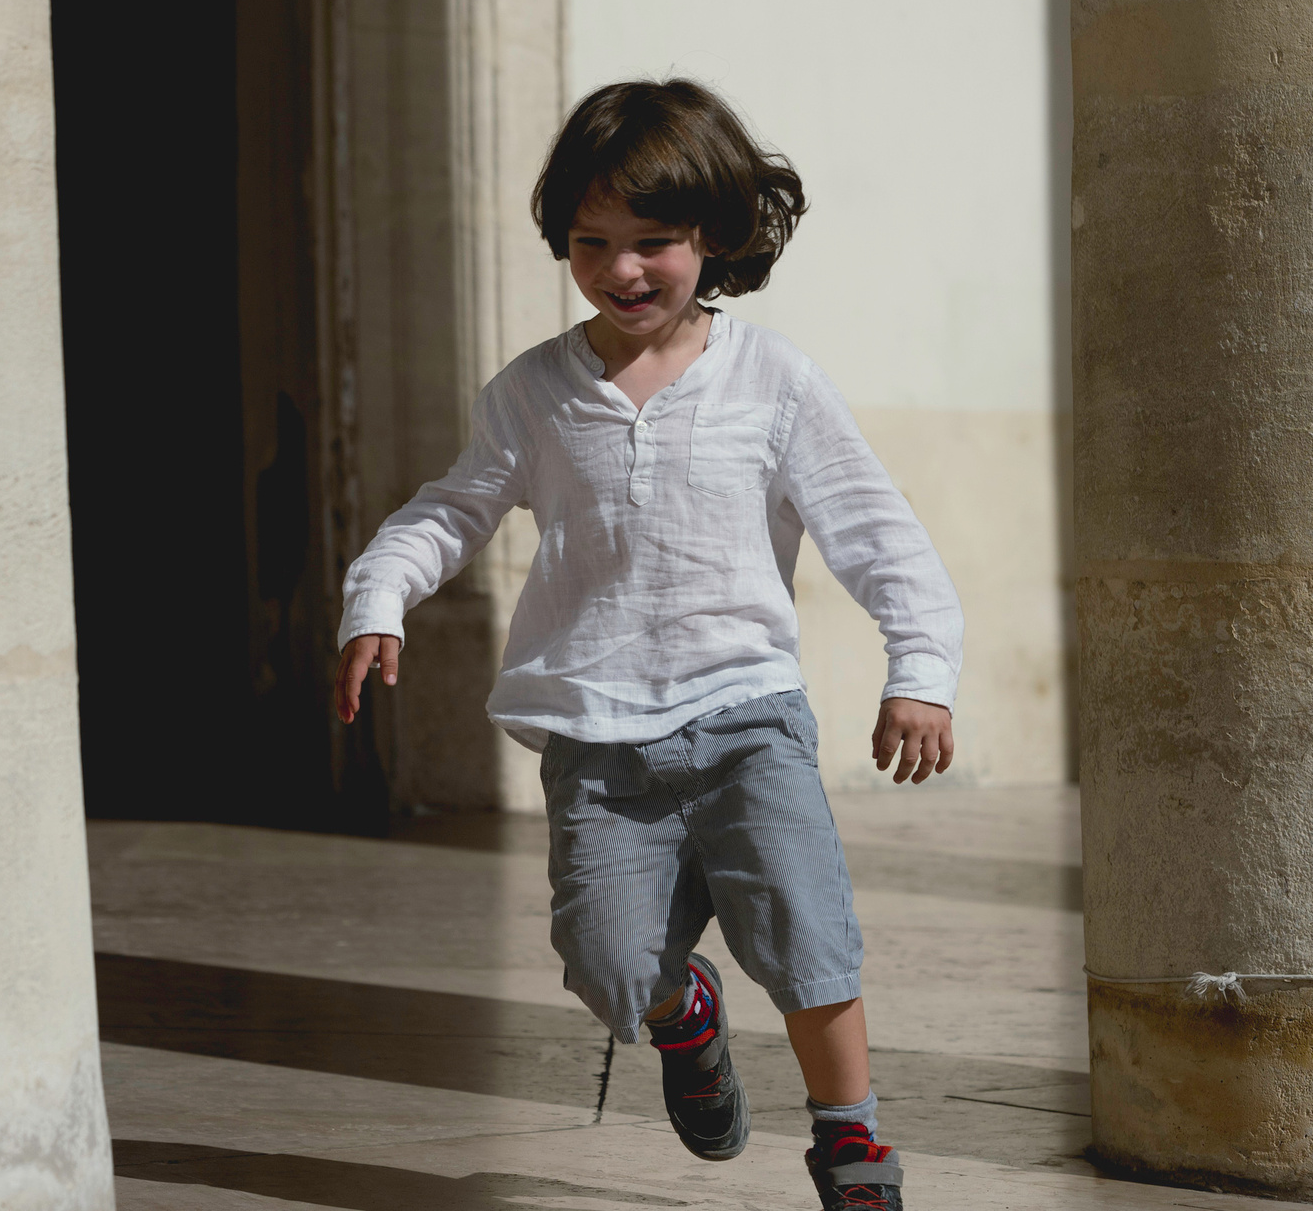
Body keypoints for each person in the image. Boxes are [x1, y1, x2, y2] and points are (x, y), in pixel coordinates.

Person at [332, 78, 961, 1211]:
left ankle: (850, 1142)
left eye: (653, 242)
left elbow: (876, 533)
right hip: (597, 738)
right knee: (611, 970)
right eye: (592, 243)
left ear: (712, 236)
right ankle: (687, 1018)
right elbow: (449, 511)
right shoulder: (532, 394)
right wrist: (378, 595)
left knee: (806, 939)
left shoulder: (772, 381)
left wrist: (918, 671)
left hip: (747, 720)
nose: (623, 270)